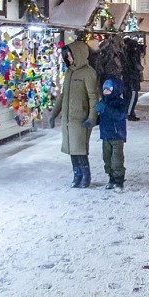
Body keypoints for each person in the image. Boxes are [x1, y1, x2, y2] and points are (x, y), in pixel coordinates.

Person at [49, 40, 100, 188]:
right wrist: (54, 114)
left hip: (80, 118)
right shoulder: (69, 72)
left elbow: (93, 97)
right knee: (72, 149)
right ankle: (77, 174)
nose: (68, 59)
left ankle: (85, 176)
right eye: (66, 57)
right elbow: (63, 95)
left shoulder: (88, 73)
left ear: (78, 54)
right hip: (68, 119)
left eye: (70, 56)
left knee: (80, 149)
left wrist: (92, 117)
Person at [98, 73, 128, 191]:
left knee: (117, 160)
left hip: (117, 136)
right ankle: (111, 178)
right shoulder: (103, 101)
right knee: (107, 159)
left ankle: (119, 180)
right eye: (104, 88)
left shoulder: (120, 102)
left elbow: (120, 116)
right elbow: (102, 118)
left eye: (109, 88)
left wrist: (106, 108)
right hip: (105, 135)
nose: (105, 91)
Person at [123, 36, 143, 120]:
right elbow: (136, 66)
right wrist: (141, 68)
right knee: (133, 96)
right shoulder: (132, 55)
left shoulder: (125, 53)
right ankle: (129, 113)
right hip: (132, 78)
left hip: (127, 78)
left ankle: (129, 112)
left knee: (128, 96)